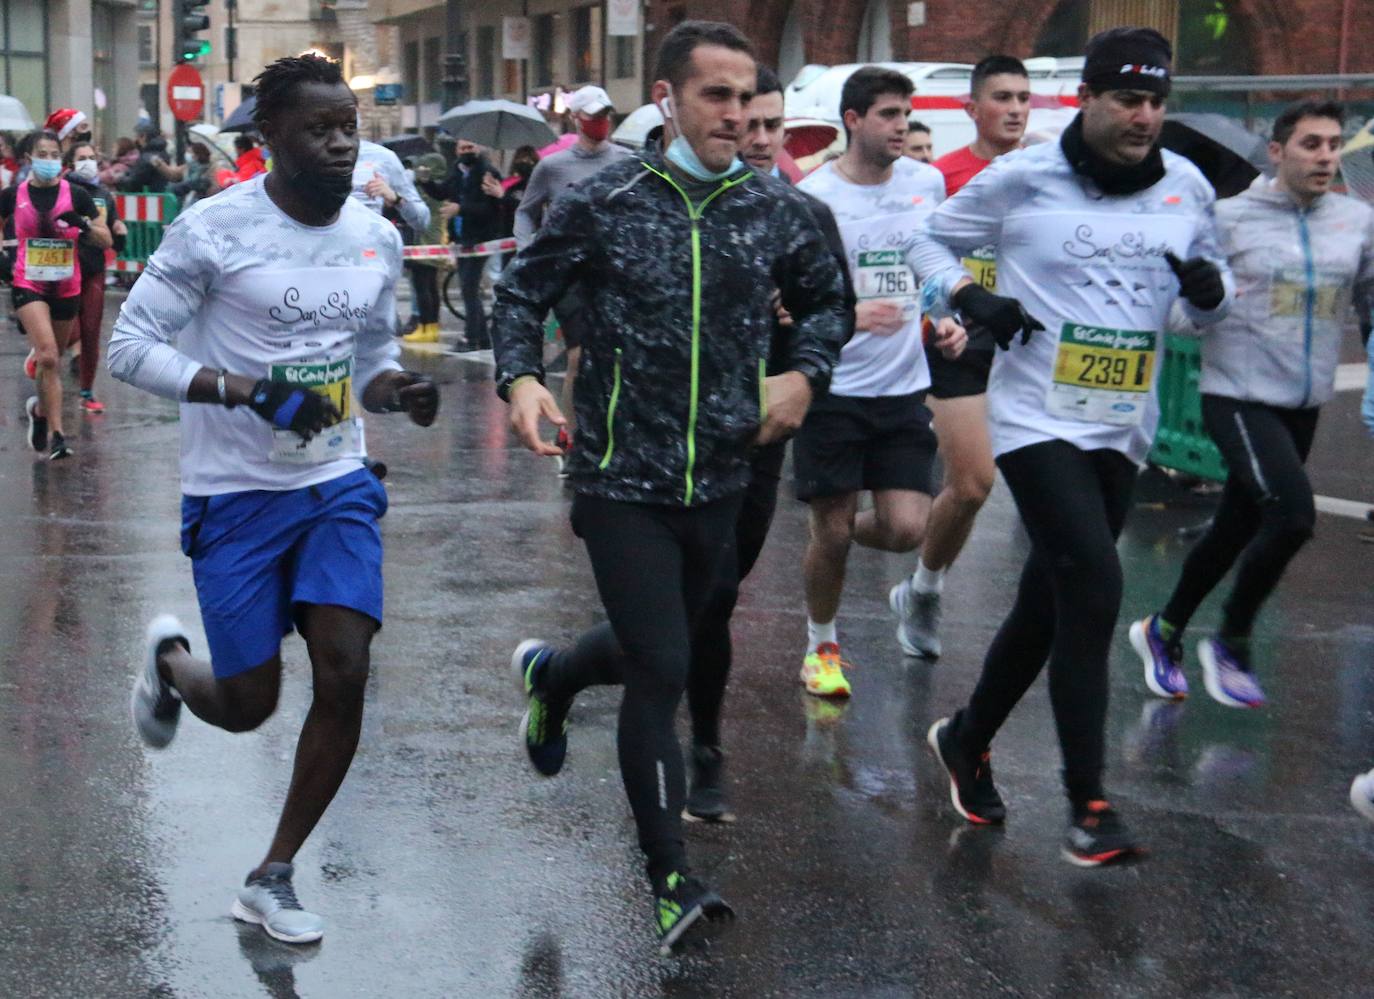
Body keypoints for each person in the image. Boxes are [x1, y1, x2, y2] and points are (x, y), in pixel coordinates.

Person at [492, 21, 848, 954]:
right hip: (619, 474)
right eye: (715, 96)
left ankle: (556, 674)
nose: (735, 115)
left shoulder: (776, 210)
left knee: (672, 639)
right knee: (662, 666)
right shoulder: (604, 200)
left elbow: (828, 303)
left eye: (745, 98)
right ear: (669, 100)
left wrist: (805, 373)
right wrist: (521, 378)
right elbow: (520, 293)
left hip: (724, 474)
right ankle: (667, 878)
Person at [108, 54, 439, 945]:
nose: (340, 145)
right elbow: (129, 348)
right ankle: (174, 664)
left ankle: (273, 872)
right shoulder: (213, 231)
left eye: (348, 129)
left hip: (334, 481)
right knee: (249, 700)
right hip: (235, 493)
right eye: (318, 130)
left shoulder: (376, 237)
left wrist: (398, 389)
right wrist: (241, 388)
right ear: (268, 140)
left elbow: (368, 363)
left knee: (345, 665)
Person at [908, 28, 1232, 866]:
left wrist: (1209, 294)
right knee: (1094, 579)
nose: (1143, 115)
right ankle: (1088, 801)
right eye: (1128, 98)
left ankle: (969, 735)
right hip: (1035, 416)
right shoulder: (1023, 176)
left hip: (1122, 425)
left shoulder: (1187, 187)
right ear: (1086, 99)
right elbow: (926, 241)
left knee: (1049, 600)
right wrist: (973, 298)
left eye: (1156, 100)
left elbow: (1208, 307)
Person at [1128, 101, 1374, 707]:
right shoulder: (1228, 219)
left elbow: (1369, 302)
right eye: (1311, 144)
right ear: (1277, 150)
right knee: (1292, 517)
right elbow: (1183, 317)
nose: (1325, 157)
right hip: (1236, 394)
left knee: (1236, 526)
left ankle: (1163, 629)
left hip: (1304, 399)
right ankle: (1232, 639)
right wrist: (1204, 296)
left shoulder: (1355, 220)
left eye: (1333, 144)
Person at [793, 66, 967, 698]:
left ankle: (827, 541)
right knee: (833, 528)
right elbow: (791, 300)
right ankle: (821, 644)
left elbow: (931, 261)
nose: (903, 126)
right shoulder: (815, 197)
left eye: (906, 114)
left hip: (901, 388)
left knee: (904, 529)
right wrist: (848, 315)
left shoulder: (924, 182)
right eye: (889, 114)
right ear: (853, 121)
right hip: (833, 388)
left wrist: (944, 317)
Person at [896, 55, 1031, 660]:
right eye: (1002, 97)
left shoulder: (1045, 174)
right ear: (971, 108)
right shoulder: (942, 176)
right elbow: (918, 254)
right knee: (974, 484)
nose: (1016, 109)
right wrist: (942, 314)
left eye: (1024, 98)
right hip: (959, 340)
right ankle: (925, 588)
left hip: (1027, 343)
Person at [514, 85, 632, 452]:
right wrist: (527, 250)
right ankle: (573, 433)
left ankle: (616, 431)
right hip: (571, 276)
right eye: (594, 118)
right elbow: (524, 211)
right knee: (578, 355)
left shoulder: (628, 162)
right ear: (577, 120)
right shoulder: (552, 167)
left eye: (606, 117)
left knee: (620, 356)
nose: (601, 124)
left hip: (616, 273)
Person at [3, 130, 111, 460]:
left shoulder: (76, 194)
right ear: (28, 159)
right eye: (42, 154)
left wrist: (84, 226)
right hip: (28, 282)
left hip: (67, 285)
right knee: (47, 354)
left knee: (55, 359)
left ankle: (38, 411)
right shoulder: (12, 195)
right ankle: (58, 434)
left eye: (54, 155)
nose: (49, 161)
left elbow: (105, 239)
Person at [63, 140, 127, 413]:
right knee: (68, 329)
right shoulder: (61, 189)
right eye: (82, 157)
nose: (88, 162)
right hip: (63, 270)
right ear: (70, 162)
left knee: (90, 331)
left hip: (93, 270)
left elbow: (113, 237)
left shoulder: (103, 194)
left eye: (91, 157)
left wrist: (119, 233)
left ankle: (87, 391)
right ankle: (42, 355)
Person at [439, 139, 502, 350]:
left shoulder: (487, 173)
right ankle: (482, 336)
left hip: (480, 239)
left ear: (478, 148)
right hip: (461, 238)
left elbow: (489, 209)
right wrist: (425, 181)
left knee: (469, 288)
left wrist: (461, 209)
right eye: (463, 148)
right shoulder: (456, 172)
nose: (467, 151)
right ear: (456, 151)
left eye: (471, 147)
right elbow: (443, 192)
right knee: (469, 289)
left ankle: (471, 336)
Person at [401, 152, 453, 341]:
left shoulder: (428, 190)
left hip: (423, 242)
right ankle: (431, 327)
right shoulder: (440, 187)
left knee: (423, 285)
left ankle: (425, 326)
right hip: (434, 242)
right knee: (431, 286)